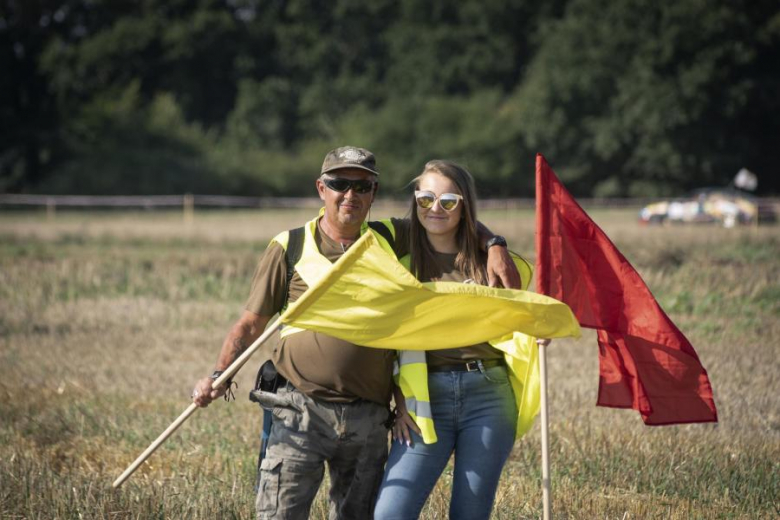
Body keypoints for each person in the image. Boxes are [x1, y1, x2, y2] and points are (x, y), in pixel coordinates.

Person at [190, 147, 520, 520]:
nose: (351, 194)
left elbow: (447, 215)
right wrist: (220, 373)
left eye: (362, 186)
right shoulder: (290, 245)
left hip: (368, 416)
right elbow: (250, 324)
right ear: (321, 188)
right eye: (339, 184)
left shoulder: (387, 238)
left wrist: (494, 244)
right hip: (299, 408)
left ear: (373, 193)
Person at [373, 160, 547, 520]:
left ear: (464, 206)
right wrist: (400, 402)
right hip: (424, 400)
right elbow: (389, 342)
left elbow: (519, 322)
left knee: (470, 513)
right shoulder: (397, 262)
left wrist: (540, 331)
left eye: (448, 201)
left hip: (488, 395)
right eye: (426, 199)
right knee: (390, 513)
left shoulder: (493, 264)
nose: (435, 208)